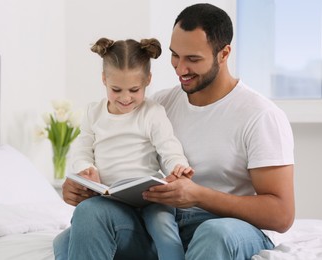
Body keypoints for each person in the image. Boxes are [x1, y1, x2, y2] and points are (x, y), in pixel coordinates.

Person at [54, 3, 295, 260]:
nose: (180, 69)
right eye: (175, 55)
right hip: (163, 221)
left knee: (214, 233)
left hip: (225, 226)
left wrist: (199, 196)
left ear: (224, 54)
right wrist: (80, 186)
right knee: (82, 223)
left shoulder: (259, 115)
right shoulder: (160, 104)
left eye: (193, 59)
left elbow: (281, 215)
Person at [65, 37, 193, 260]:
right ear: (104, 79)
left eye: (134, 89)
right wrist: (86, 168)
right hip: (109, 196)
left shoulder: (151, 112)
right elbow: (82, 150)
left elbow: (169, 146)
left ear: (148, 80)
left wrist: (178, 167)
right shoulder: (93, 113)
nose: (125, 98)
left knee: (163, 226)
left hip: (150, 195)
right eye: (116, 89)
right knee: (64, 241)